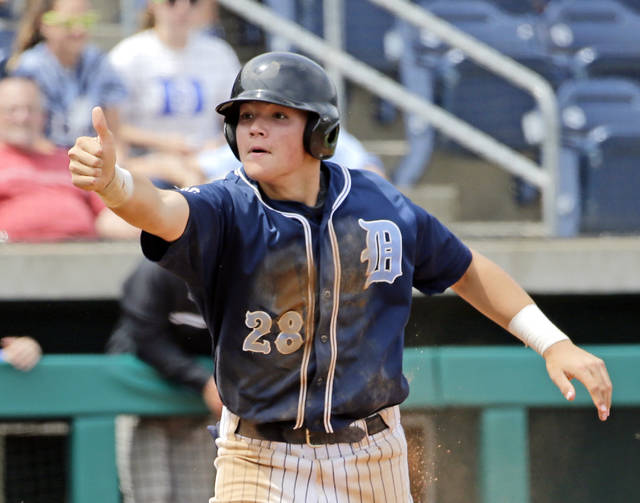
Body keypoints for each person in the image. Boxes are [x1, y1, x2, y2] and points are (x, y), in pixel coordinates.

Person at [68, 51, 612, 502]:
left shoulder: (379, 203)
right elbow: (161, 209)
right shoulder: (227, 207)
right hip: (260, 459)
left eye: (278, 115)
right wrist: (114, 183)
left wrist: (551, 342)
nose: (255, 126)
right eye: (246, 116)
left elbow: (466, 271)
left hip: (373, 456)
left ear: (320, 130)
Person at [107, 258, 222, 503]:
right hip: (144, 408)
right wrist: (202, 380)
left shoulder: (235, 273)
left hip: (197, 411)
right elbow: (146, 338)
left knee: (198, 496)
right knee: (149, 496)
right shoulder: (156, 269)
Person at [107, 0, 240, 188]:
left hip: (207, 160)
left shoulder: (220, 53)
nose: (183, 8)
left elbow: (235, 119)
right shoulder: (128, 56)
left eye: (193, 2)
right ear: (152, 4)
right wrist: (164, 143)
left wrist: (216, 143)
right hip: (150, 162)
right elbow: (114, 127)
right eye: (171, 2)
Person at [0, 76, 136, 242]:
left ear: (43, 116)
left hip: (82, 252)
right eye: (12, 110)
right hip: (13, 256)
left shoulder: (70, 159)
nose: (23, 117)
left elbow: (106, 216)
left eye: (31, 109)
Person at [7, 0, 127, 149]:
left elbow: (114, 133)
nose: (78, 29)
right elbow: (32, 139)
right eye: (68, 22)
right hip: (47, 162)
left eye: (85, 20)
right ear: (44, 25)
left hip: (92, 161)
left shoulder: (99, 63)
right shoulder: (29, 68)